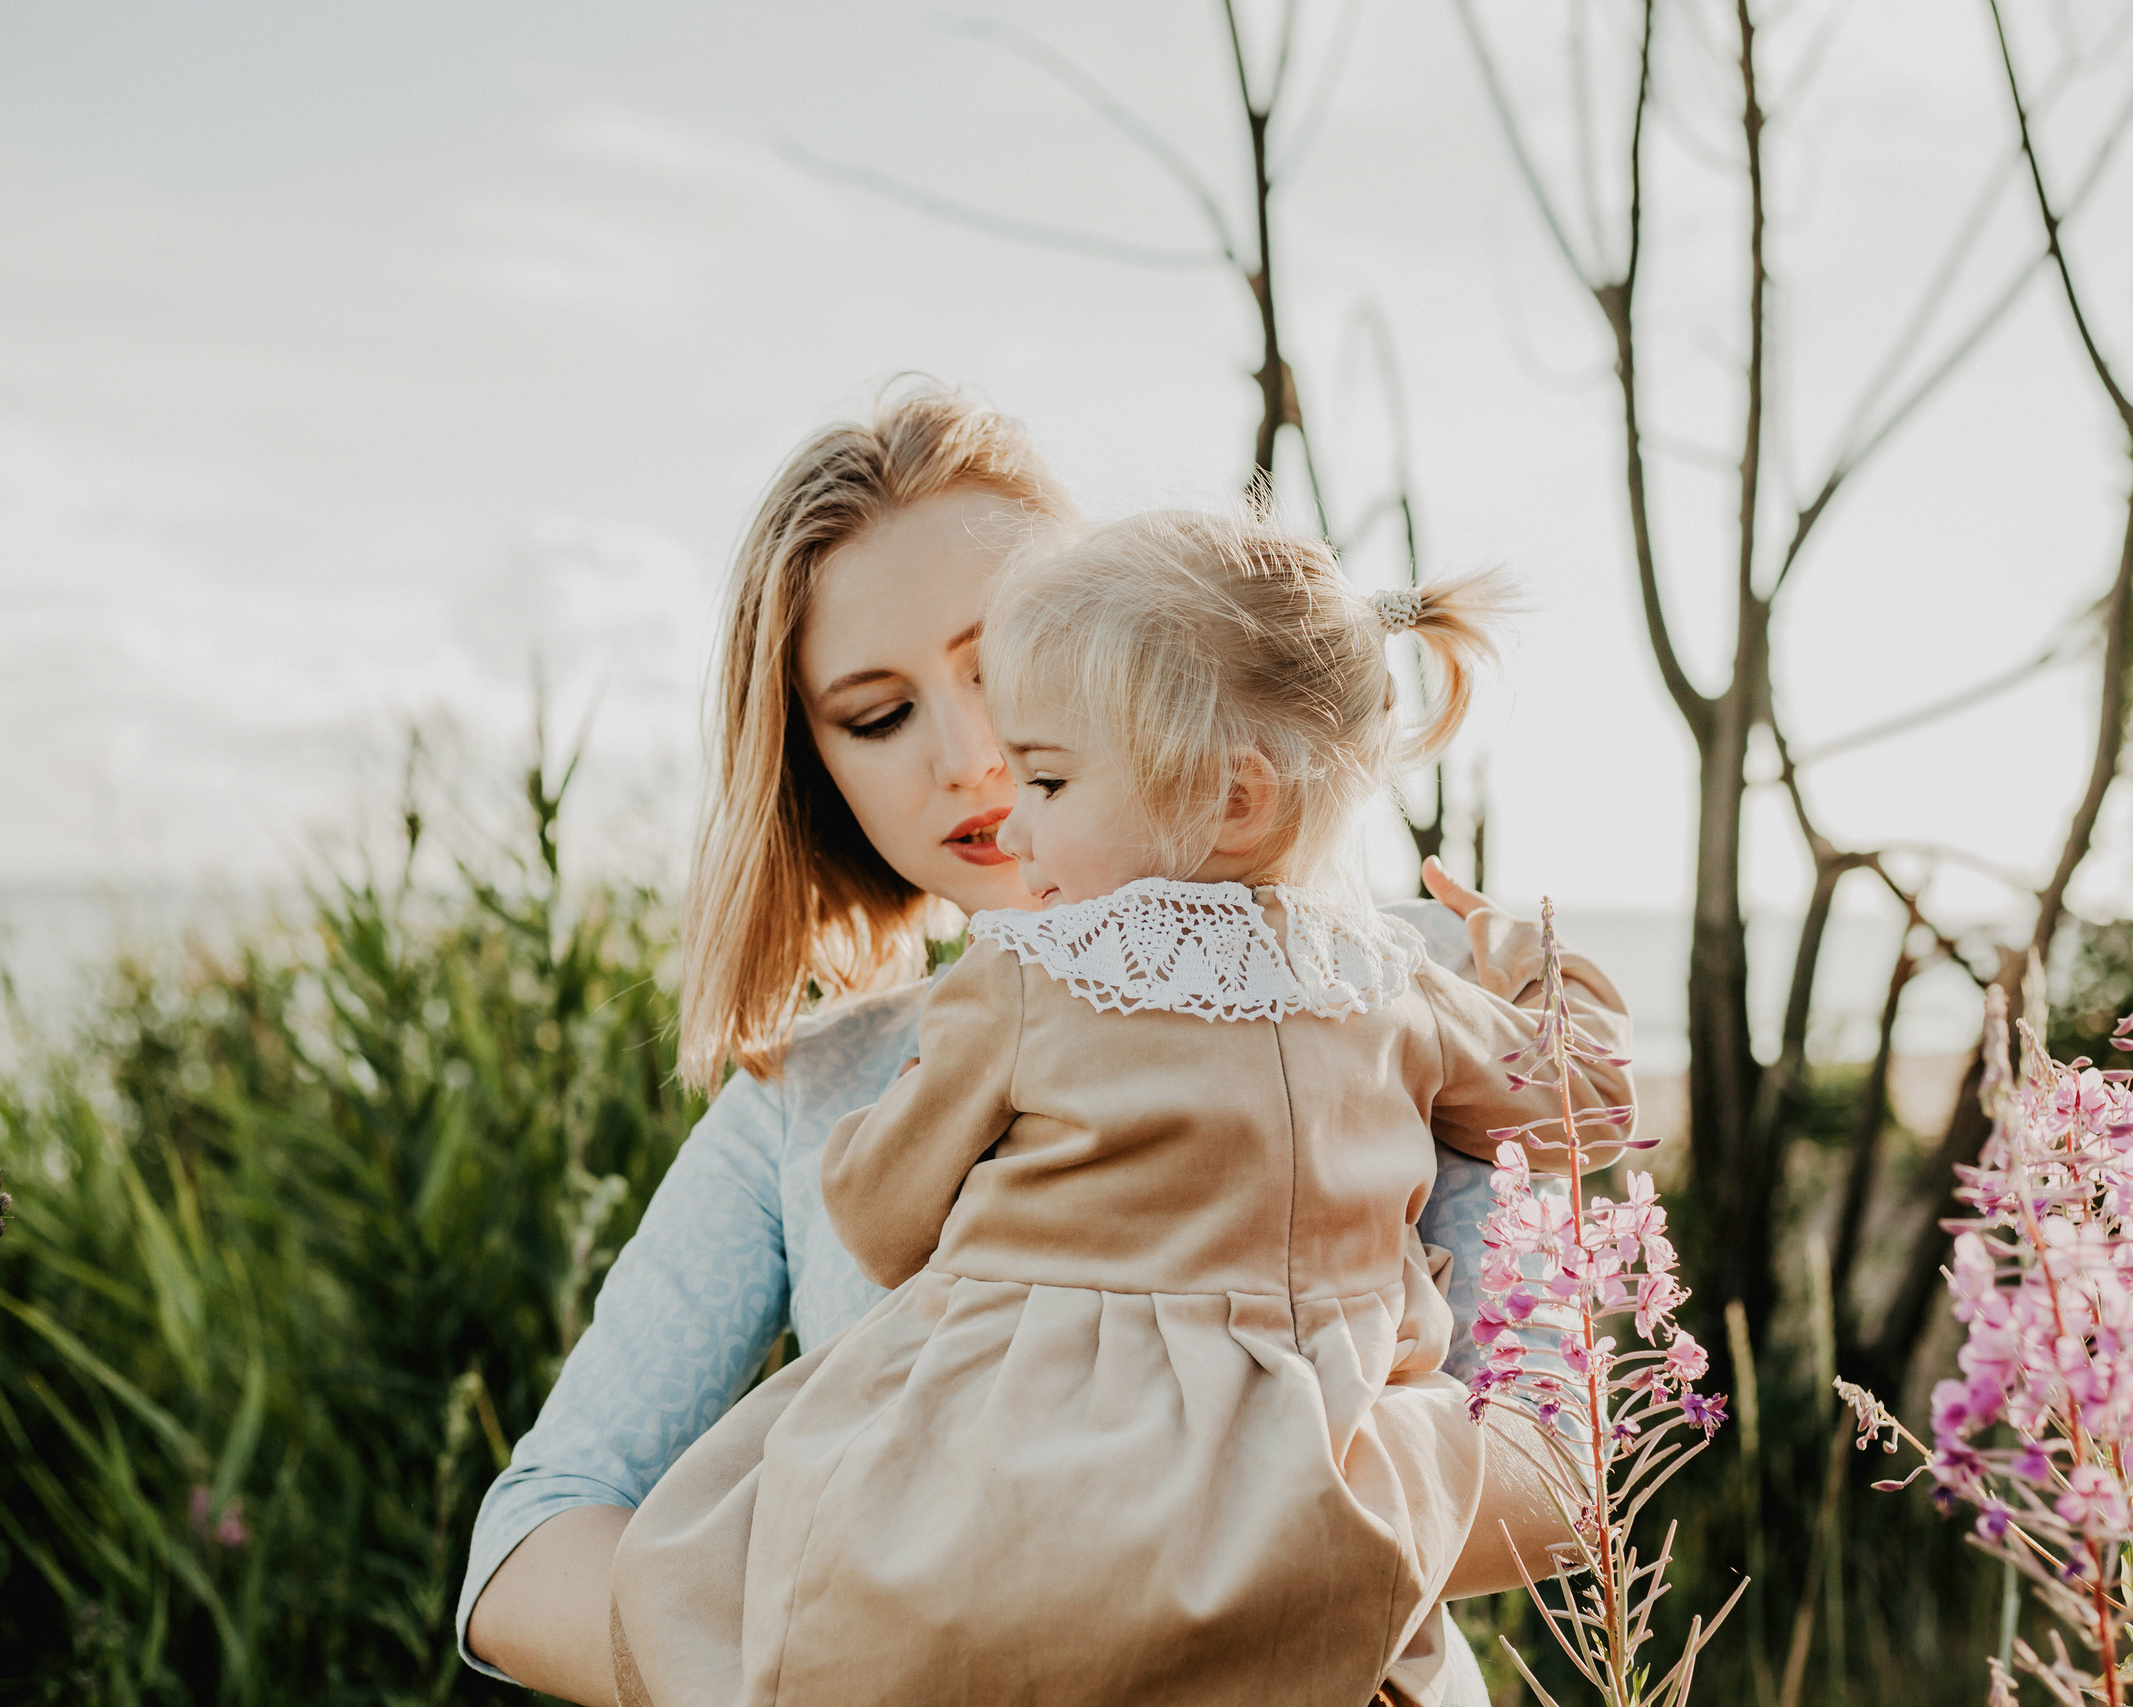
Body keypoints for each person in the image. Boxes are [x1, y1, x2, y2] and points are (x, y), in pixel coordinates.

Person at [460, 386, 1632, 1705]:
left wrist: (1200, 1546)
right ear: (814, 765)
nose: (979, 760)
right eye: (877, 713)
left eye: (1005, 669)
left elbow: (1568, 1465)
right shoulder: (811, 1094)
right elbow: (526, 1541)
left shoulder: (1383, 998)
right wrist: (865, 1651)